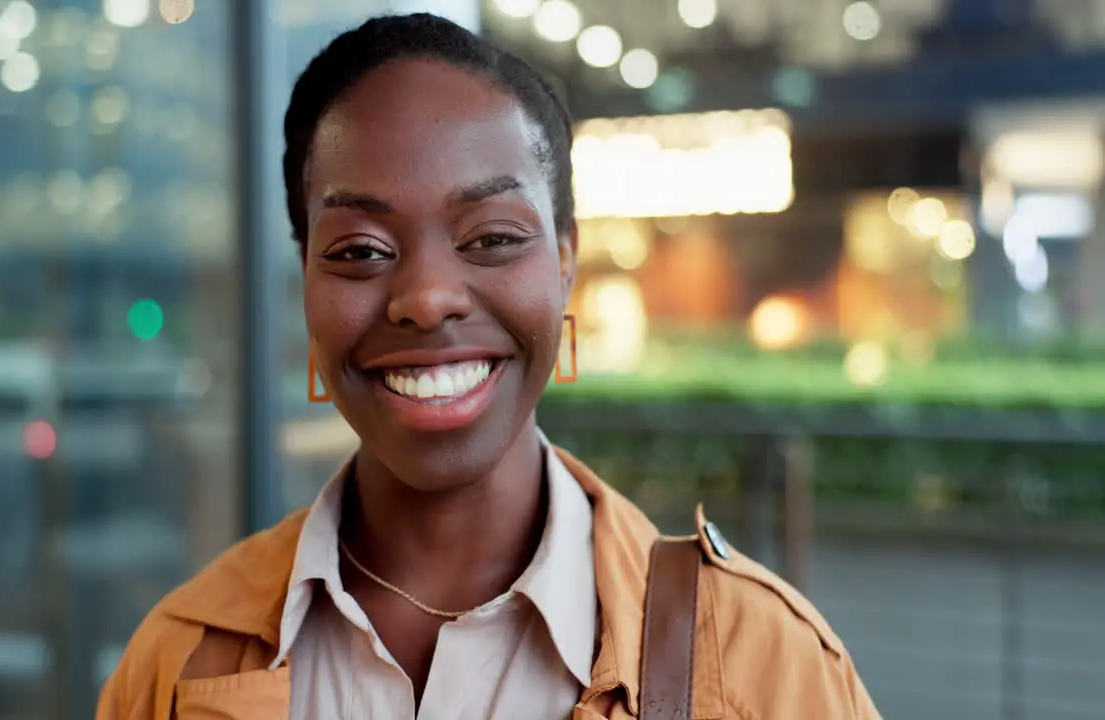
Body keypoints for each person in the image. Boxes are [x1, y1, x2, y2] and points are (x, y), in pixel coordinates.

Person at [96, 12, 880, 720]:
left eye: (493, 238)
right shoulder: (174, 664)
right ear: (305, 279)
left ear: (566, 262)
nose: (428, 298)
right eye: (360, 250)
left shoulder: (766, 667)